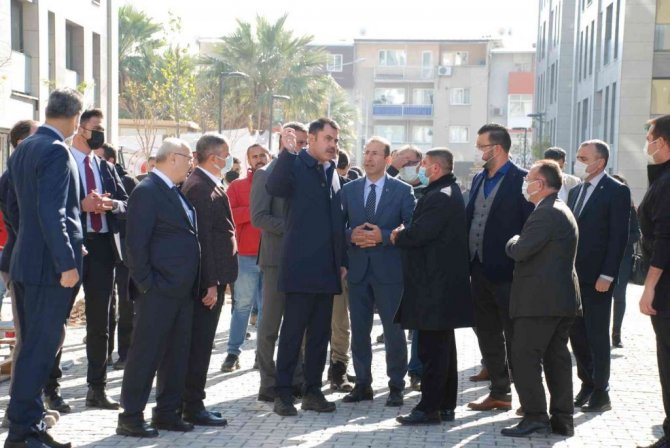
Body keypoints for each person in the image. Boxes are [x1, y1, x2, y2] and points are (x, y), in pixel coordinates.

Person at [5, 87, 84, 448]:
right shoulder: (54, 149)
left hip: (25, 261)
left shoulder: (24, 147)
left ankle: (30, 425)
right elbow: (55, 212)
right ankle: (22, 432)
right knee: (39, 351)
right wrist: (66, 261)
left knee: (31, 350)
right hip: (47, 268)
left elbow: (16, 209)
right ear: (75, 118)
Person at [117, 138, 199, 438]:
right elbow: (135, 245)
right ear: (173, 158)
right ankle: (130, 416)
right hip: (158, 291)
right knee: (145, 355)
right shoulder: (147, 191)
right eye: (188, 158)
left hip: (181, 290)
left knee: (176, 355)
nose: (191, 163)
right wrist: (148, 285)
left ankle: (167, 412)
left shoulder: (174, 191)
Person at [266, 117, 347, 417]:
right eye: (328, 139)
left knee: (319, 335)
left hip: (327, 269)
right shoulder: (295, 164)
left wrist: (342, 261)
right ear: (311, 139)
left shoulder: (332, 171)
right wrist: (286, 153)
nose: (333, 145)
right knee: (292, 334)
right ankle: (283, 394)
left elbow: (338, 221)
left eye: (336, 140)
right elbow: (275, 186)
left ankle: (313, 392)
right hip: (300, 268)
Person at [500, 160, 581, 438]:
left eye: (529, 180)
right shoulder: (558, 209)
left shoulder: (546, 212)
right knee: (556, 360)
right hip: (557, 301)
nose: (525, 184)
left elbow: (521, 250)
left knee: (524, 357)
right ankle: (562, 419)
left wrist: (512, 240)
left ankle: (535, 416)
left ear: (541, 184)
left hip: (539, 302)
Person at [392, 148, 473, 425]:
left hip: (434, 286)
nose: (420, 169)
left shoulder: (440, 196)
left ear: (436, 168)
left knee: (432, 350)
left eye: (423, 164)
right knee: (443, 349)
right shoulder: (445, 191)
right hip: (438, 284)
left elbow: (420, 233)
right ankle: (445, 405)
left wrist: (399, 235)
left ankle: (429, 408)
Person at [340, 137, 415, 407]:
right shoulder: (349, 190)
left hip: (389, 271)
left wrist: (382, 236)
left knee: (393, 332)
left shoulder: (403, 190)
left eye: (375, 153)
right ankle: (362, 384)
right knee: (359, 331)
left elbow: (411, 226)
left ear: (387, 159)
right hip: (358, 271)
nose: (369, 158)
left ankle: (396, 385)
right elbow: (337, 225)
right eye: (366, 152)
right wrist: (351, 235)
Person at [466, 123, 534, 412]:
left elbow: (530, 227)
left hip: (509, 274)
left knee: (516, 338)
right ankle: (499, 393)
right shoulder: (478, 179)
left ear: (496, 149)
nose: (478, 152)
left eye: (481, 147)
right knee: (487, 334)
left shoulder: (524, 179)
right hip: (478, 270)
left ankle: (530, 400)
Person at [65, 109, 128, 411]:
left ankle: (97, 388)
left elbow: (127, 203)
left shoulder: (105, 166)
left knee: (101, 320)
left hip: (103, 247)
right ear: (80, 128)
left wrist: (110, 204)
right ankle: (50, 389)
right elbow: (51, 205)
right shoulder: (63, 161)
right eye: (96, 128)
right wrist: (82, 205)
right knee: (58, 319)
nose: (100, 134)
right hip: (72, 246)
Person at [568, 139, 630, 413]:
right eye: (578, 157)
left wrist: (608, 274)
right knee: (577, 334)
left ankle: (601, 392)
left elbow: (618, 237)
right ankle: (587, 383)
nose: (578, 162)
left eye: (584, 158)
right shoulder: (576, 191)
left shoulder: (616, 191)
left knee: (596, 335)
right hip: (574, 278)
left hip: (598, 279)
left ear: (600, 162)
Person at [181, 133, 237, 427]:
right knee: (199, 345)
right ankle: (192, 405)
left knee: (202, 344)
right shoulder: (199, 187)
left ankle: (192, 402)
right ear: (214, 158)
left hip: (215, 277)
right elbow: (202, 238)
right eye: (225, 155)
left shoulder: (209, 183)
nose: (228, 160)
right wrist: (210, 282)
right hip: (207, 282)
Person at [251, 122, 308, 402]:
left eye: (304, 142)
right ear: (282, 142)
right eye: (296, 142)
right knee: (270, 325)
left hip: (303, 260)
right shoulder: (265, 174)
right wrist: (294, 228)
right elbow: (259, 217)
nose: (301, 147)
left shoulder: (306, 173)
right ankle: (268, 381)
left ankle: (296, 379)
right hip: (275, 260)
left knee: (298, 325)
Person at [635, 115, 670, 448]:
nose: (647, 144)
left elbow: (665, 240)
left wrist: (649, 287)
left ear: (662, 142)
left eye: (649, 138)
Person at [221, 144, 268, 372]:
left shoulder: (279, 184)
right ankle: (233, 353)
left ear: (269, 157)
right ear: (248, 160)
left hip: (272, 257)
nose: (259, 159)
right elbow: (228, 215)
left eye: (262, 155)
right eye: (254, 156)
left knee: (268, 310)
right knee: (242, 307)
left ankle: (263, 354)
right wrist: (257, 211)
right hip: (246, 257)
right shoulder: (237, 186)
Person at [98, 143, 140, 370]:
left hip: (124, 252)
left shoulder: (128, 182)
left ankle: (126, 354)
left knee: (126, 305)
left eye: (99, 158)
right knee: (105, 306)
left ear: (111, 161)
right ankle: (103, 354)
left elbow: (135, 212)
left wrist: (113, 206)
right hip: (101, 251)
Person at [610, 174, 640, 348]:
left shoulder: (630, 209)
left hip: (623, 259)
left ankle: (616, 334)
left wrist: (620, 239)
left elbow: (637, 234)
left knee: (619, 296)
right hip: (603, 257)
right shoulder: (603, 206)